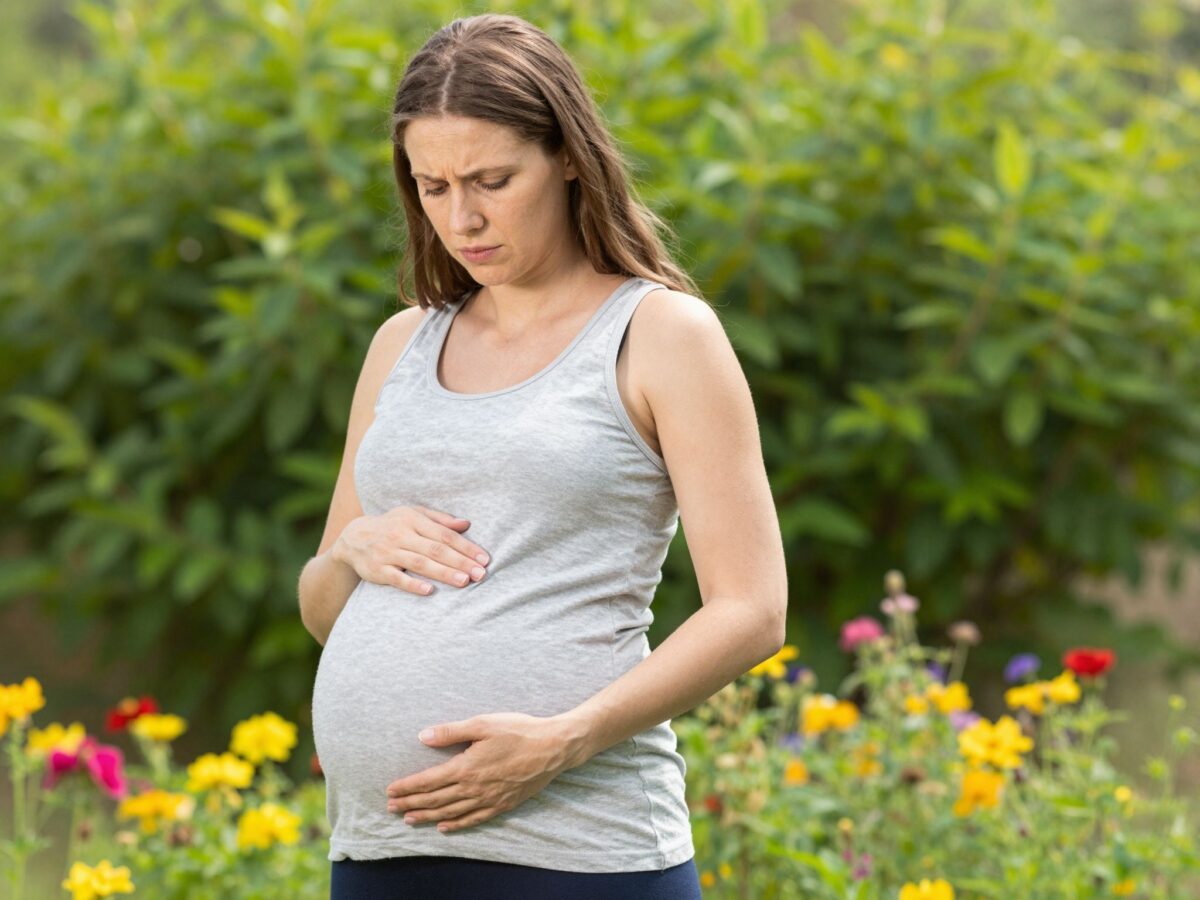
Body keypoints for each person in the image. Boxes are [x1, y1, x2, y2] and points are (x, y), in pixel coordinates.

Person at [299, 12, 788, 900]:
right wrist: (349, 552)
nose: (464, 216)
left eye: (493, 179)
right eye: (433, 186)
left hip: (579, 850)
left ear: (567, 156)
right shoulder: (400, 344)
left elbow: (753, 610)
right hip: (380, 849)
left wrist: (566, 737)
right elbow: (324, 609)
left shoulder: (661, 334)